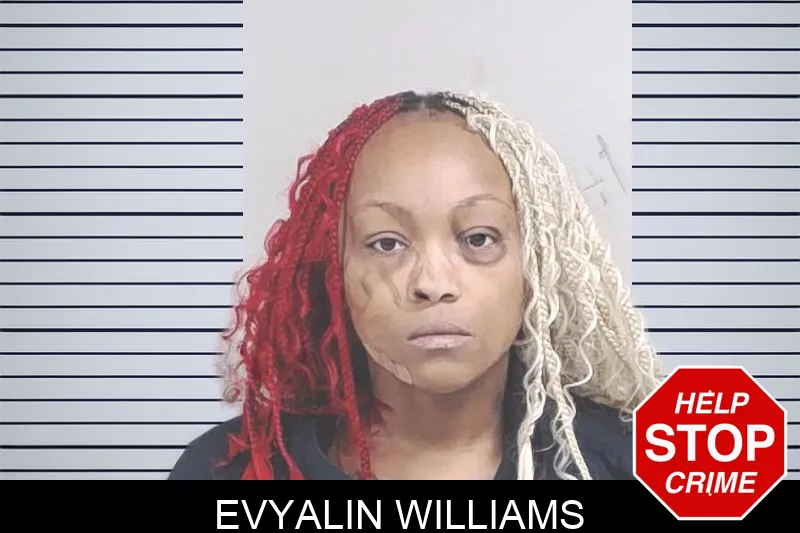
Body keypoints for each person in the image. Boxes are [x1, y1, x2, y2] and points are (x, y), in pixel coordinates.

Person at [168, 90, 662, 481]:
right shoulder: (225, 471)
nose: (433, 283)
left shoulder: (635, 467)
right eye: (387, 243)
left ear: (535, 266)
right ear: (334, 272)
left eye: (478, 238)